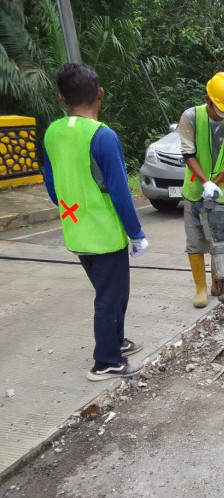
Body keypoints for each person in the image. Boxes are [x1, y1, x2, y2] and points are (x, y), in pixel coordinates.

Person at [43, 63, 148, 381]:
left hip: (76, 230)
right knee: (110, 297)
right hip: (104, 234)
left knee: (112, 293)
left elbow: (52, 185)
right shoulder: (103, 137)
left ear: (63, 98)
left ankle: (116, 342)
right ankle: (106, 361)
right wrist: (136, 232)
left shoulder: (52, 133)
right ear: (100, 93)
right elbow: (119, 192)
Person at [178, 71, 224, 308]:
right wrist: (205, 182)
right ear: (207, 99)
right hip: (196, 190)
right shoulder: (191, 117)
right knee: (196, 241)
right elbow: (188, 153)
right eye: (221, 110)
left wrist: (215, 184)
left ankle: (221, 283)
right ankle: (200, 288)